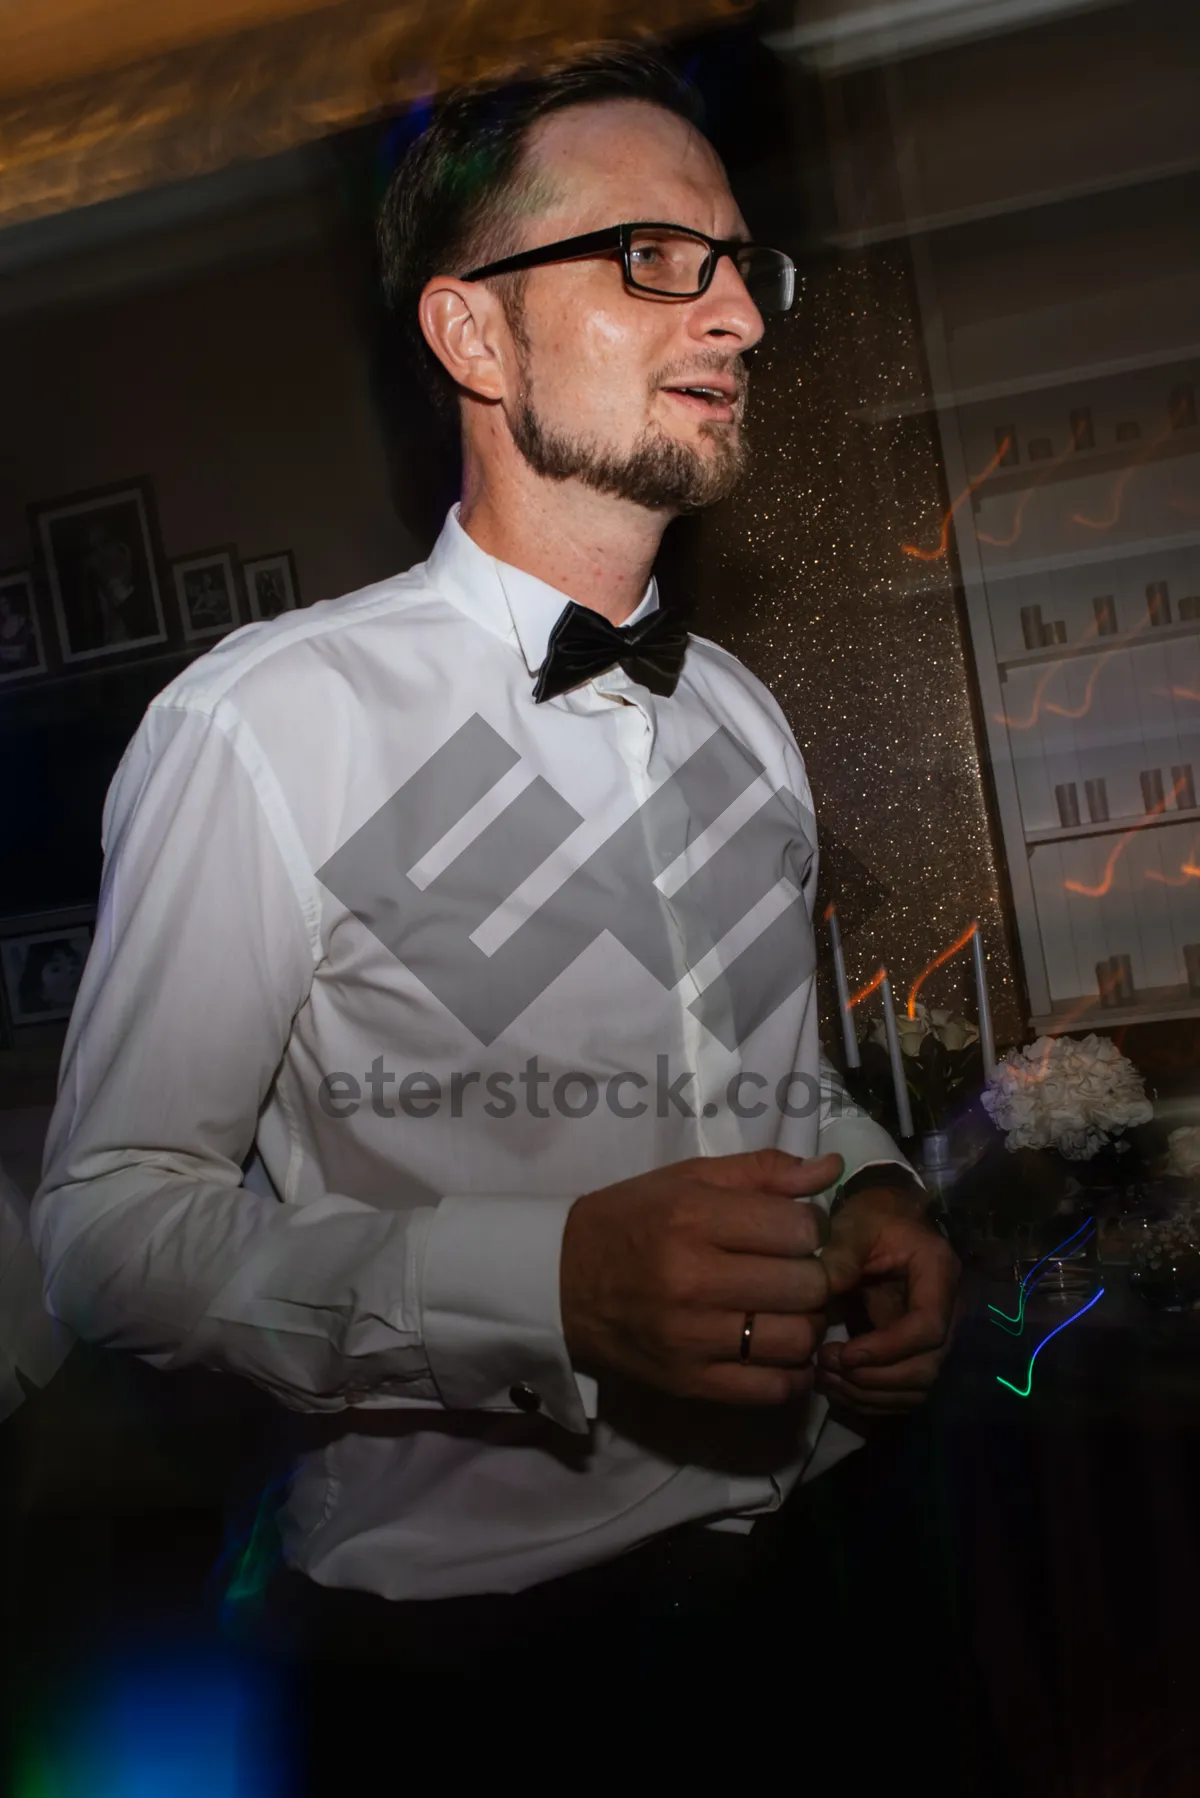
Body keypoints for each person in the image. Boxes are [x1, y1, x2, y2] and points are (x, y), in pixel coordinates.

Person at [32, 45, 960, 1702]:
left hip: (826, 1568)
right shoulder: (265, 727)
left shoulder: (740, 717)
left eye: (742, 266)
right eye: (655, 258)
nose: (738, 315)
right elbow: (107, 1236)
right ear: (472, 333)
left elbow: (773, 1078)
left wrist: (873, 1183)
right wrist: (539, 1286)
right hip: (480, 1662)